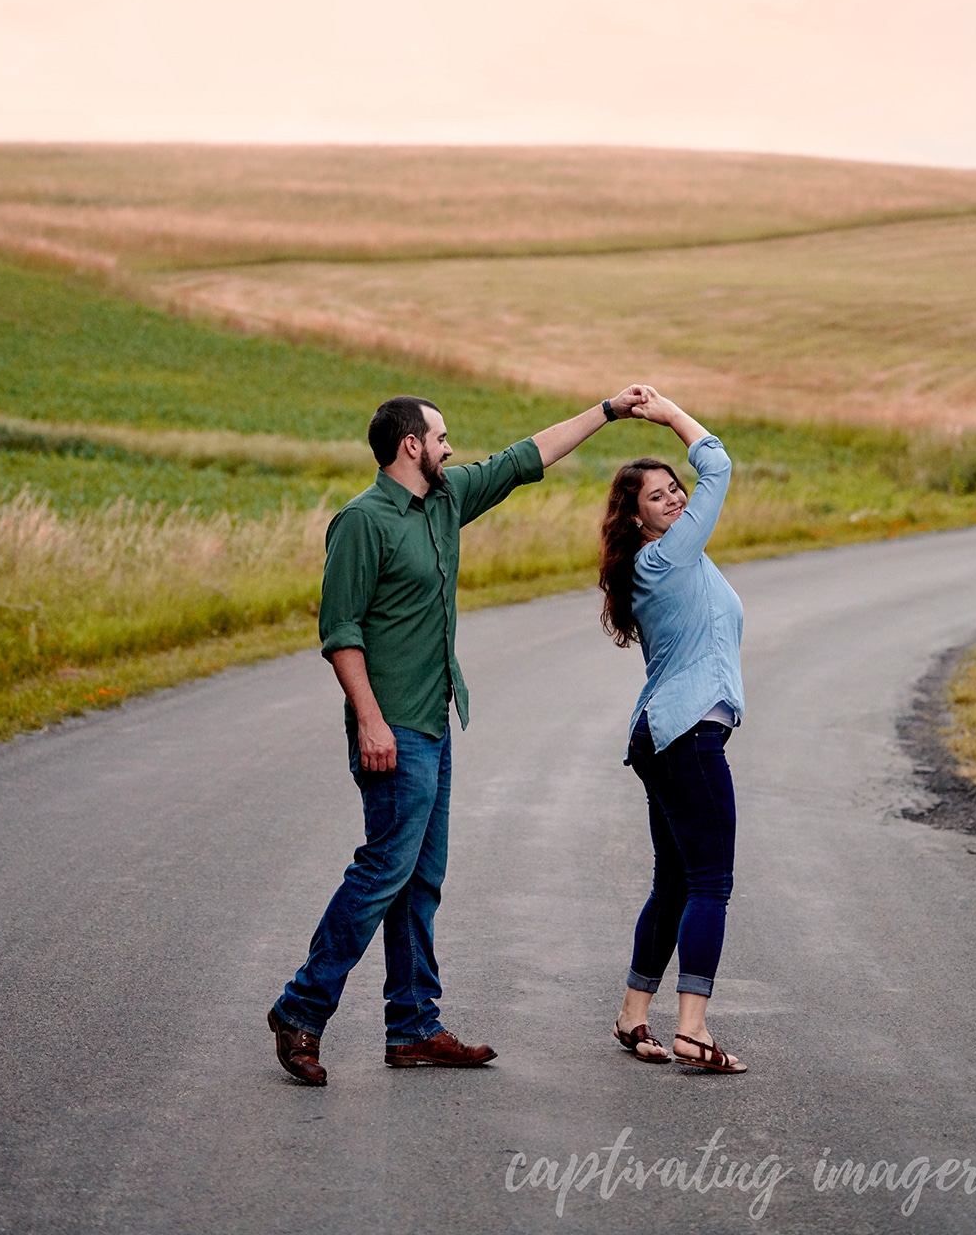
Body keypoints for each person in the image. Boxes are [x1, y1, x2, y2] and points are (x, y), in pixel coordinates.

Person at [269, 384, 650, 1086]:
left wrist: (606, 411)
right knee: (385, 869)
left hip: (433, 722)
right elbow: (341, 633)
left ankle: (413, 1027)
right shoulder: (361, 522)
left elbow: (525, 457)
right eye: (441, 438)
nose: (451, 448)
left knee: (420, 882)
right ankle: (301, 1008)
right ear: (410, 445)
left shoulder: (445, 501)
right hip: (391, 730)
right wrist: (371, 722)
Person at [597, 387, 748, 1074]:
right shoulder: (664, 559)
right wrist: (670, 415)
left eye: (674, 489)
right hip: (685, 738)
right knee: (711, 881)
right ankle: (693, 1029)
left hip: (665, 735)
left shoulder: (670, 561)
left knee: (676, 882)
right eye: (658, 496)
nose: (677, 498)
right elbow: (717, 466)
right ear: (636, 518)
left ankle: (634, 1016)